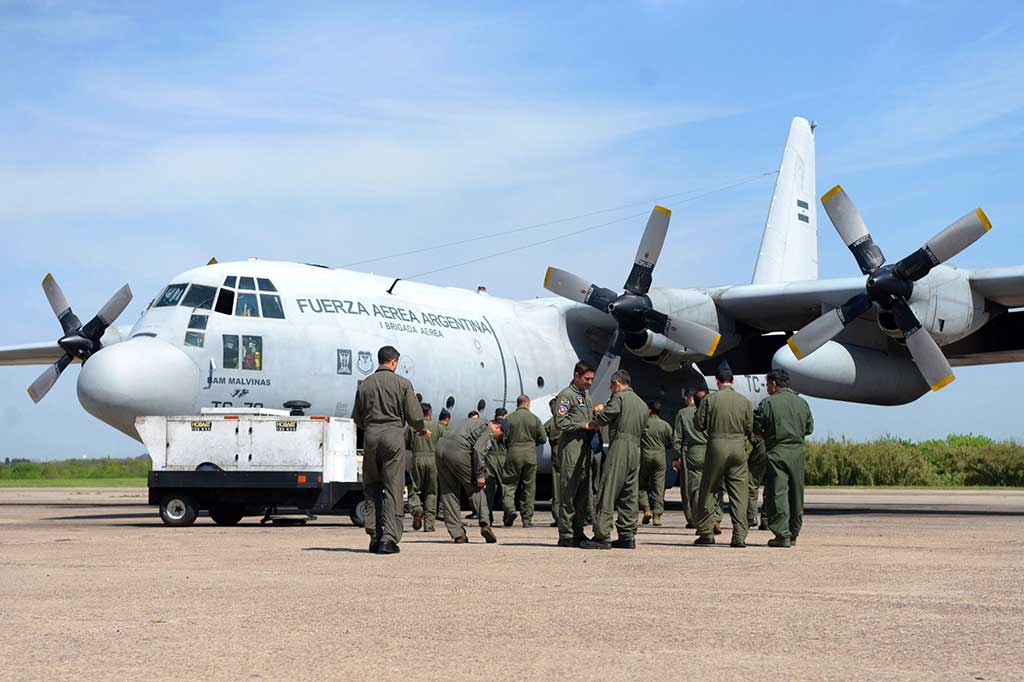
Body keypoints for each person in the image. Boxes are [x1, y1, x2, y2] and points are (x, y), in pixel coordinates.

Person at [352, 345, 427, 554]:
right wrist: (421, 430)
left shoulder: (364, 384)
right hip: (393, 436)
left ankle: (374, 536)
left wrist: (371, 428)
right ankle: (389, 538)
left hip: (370, 437)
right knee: (393, 487)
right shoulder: (403, 384)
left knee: (372, 486)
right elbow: (415, 416)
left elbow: (357, 417)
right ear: (394, 362)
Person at [581, 370, 648, 550]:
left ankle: (602, 535)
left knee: (608, 489)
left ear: (617, 383)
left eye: (611, 386)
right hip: (636, 449)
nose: (611, 390)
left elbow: (604, 418)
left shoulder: (619, 399)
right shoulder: (642, 404)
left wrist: (597, 413)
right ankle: (627, 535)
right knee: (629, 493)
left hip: (620, 445)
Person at [694, 362, 753, 548]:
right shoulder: (745, 401)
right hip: (738, 448)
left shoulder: (710, 400)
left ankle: (706, 533)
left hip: (716, 446)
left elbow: (699, 424)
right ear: (733, 381)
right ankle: (739, 536)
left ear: (717, 381)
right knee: (739, 493)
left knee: (709, 490)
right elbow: (750, 428)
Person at [755, 368, 814, 548]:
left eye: (768, 385)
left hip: (776, 451)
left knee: (777, 493)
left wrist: (769, 437)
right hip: (797, 452)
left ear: (773, 384)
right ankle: (793, 532)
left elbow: (757, 428)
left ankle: (782, 535)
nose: (767, 388)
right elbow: (808, 429)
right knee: (796, 493)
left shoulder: (768, 403)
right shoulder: (802, 403)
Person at [436, 417, 505, 543]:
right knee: (475, 487)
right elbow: (479, 450)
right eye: (500, 435)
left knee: (448, 492)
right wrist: (479, 475)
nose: (498, 439)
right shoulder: (487, 429)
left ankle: (458, 534)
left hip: (440, 447)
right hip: (458, 450)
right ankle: (485, 524)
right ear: (498, 427)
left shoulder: (471, 421)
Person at [554, 361, 598, 547]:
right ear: (577, 376)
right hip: (572, 448)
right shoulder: (566, 396)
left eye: (591, 379)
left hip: (585, 450)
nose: (589, 383)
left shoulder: (585, 395)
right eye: (587, 379)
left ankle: (578, 531)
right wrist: (583, 426)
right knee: (569, 493)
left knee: (583, 494)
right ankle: (566, 534)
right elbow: (560, 422)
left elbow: (586, 418)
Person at [673, 389, 722, 532]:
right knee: (714, 487)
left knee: (693, 489)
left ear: (689, 398)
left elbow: (677, 438)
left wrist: (676, 457)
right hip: (711, 451)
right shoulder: (713, 412)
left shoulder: (683, 413)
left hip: (692, 453)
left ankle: (698, 519)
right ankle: (715, 517)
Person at [502, 395, 547, 527]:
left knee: (509, 485)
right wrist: (532, 444)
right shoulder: (534, 419)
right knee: (529, 487)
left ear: (518, 404)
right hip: (530, 454)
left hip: (513, 453)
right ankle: (527, 519)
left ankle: (509, 510)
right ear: (527, 403)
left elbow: (502, 437)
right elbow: (543, 438)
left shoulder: (509, 418)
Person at [406, 402, 445, 532]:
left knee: (414, 489)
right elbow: (445, 444)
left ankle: (417, 510)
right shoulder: (438, 427)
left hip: (417, 458)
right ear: (430, 413)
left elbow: (406, 444)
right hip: (433, 460)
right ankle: (429, 525)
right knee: (431, 492)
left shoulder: (412, 427)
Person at [638, 399, 673, 526]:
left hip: (645, 456)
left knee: (641, 485)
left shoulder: (643, 423)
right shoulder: (665, 425)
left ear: (650, 410)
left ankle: (646, 509)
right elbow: (670, 442)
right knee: (659, 487)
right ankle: (657, 516)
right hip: (660, 457)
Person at [484, 407, 509, 524]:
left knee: (489, 489)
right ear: (505, 415)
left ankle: (487, 517)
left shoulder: (489, 426)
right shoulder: (507, 425)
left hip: (489, 458)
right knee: (505, 487)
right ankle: (508, 513)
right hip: (504, 458)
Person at [542, 398, 561, 527]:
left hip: (556, 456)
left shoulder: (549, 423)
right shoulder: (568, 420)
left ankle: (558, 516)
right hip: (569, 454)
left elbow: (541, 437)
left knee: (557, 487)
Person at [747, 438, 768, 530]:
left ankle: (751, 516)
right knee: (772, 484)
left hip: (762, 445)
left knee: (752, 482)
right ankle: (767, 519)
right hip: (778, 446)